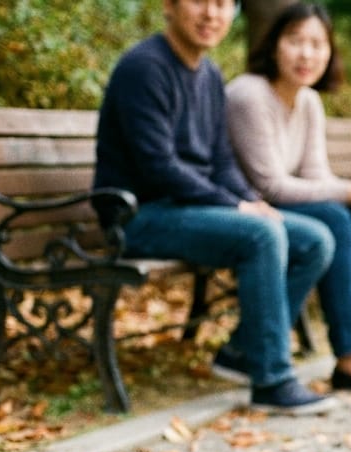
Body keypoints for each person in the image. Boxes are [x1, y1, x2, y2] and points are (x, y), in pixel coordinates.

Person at [95, 0, 336, 414]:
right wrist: (234, 206)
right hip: (139, 216)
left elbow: (222, 161)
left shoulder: (209, 75)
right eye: (199, 1)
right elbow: (157, 167)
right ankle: (272, 379)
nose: (211, 13)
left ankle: (242, 352)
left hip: (189, 210)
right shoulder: (144, 68)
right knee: (261, 234)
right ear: (169, 5)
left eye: (222, 3)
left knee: (315, 239)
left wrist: (251, 201)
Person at [226, 3, 351, 392]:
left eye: (317, 44)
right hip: (247, 206)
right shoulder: (250, 94)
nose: (306, 54)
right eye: (295, 41)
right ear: (273, 45)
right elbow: (271, 185)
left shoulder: (307, 101)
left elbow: (316, 176)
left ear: (329, 52)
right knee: (338, 217)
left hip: (281, 205)